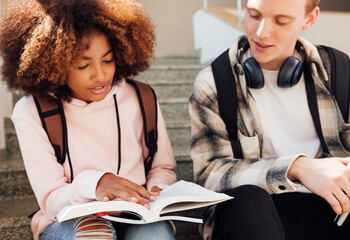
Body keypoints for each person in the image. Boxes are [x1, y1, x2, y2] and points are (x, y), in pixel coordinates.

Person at [0, 0, 177, 239]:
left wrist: (157, 191)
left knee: (155, 235)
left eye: (108, 60)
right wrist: (96, 184)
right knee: (94, 233)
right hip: (70, 220)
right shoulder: (32, 111)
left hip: (138, 214)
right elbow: (51, 200)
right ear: (55, 63)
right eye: (83, 65)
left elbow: (162, 168)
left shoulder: (141, 97)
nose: (100, 75)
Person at [189, 0, 350, 239]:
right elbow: (209, 176)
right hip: (257, 217)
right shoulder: (214, 83)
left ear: (310, 19)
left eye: (281, 21)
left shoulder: (339, 71)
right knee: (247, 200)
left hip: (330, 211)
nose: (261, 32)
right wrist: (296, 167)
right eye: (254, 15)